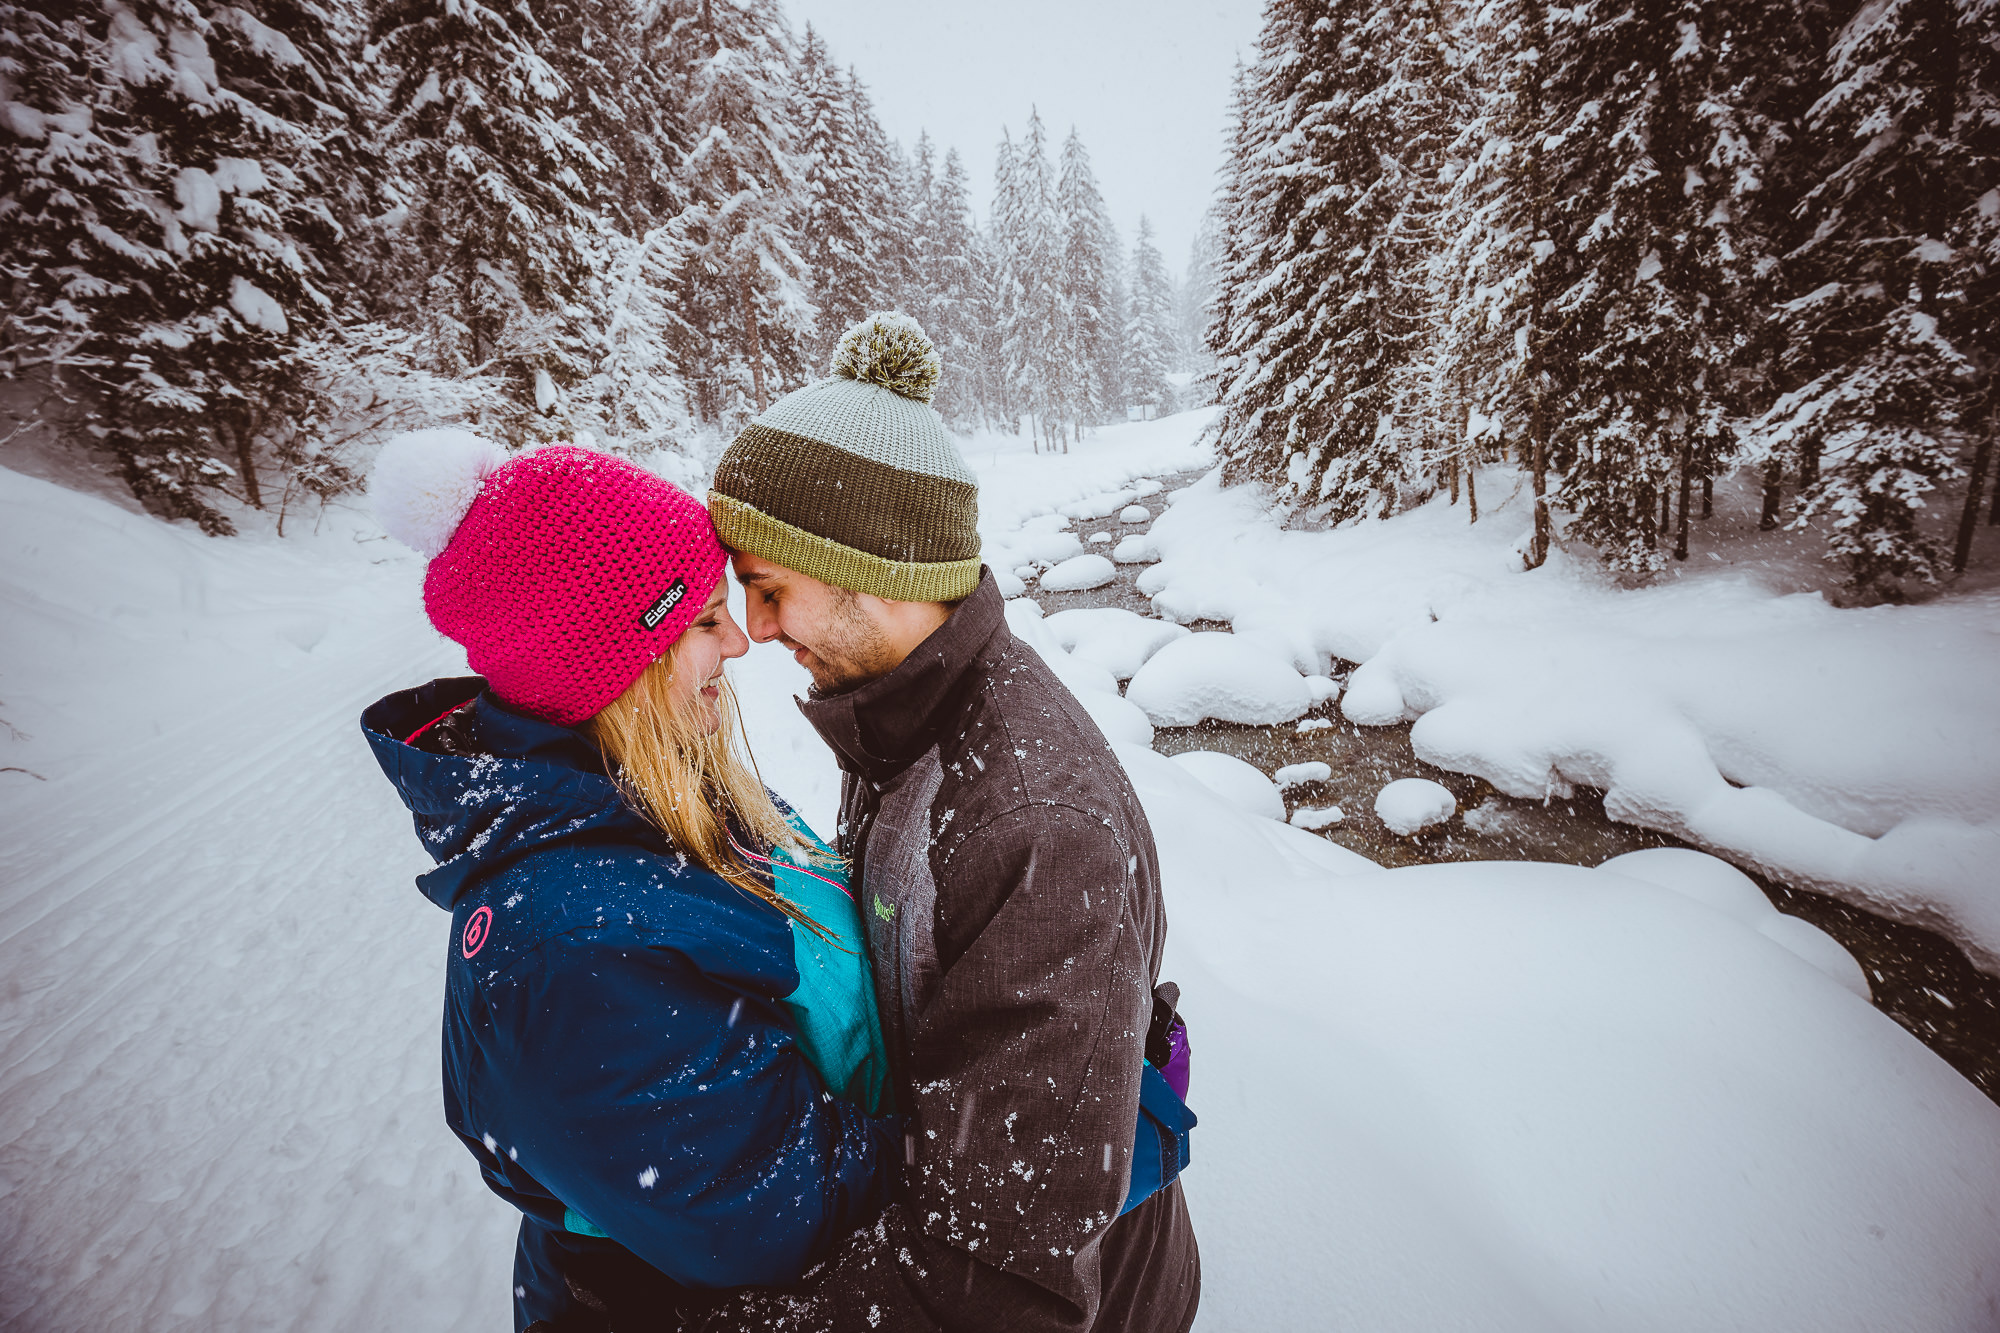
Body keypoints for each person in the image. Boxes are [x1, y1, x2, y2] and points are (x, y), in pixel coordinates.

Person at [680, 313, 1201, 1333]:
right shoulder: (907, 719)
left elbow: (1000, 1278)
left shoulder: (1031, 821)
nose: (754, 632)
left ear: (866, 564)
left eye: (768, 588)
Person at [359, 435, 898, 1331]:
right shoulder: (565, 954)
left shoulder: (669, 785)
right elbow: (796, 1209)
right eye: (701, 621)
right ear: (612, 669)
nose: (739, 641)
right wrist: (1047, 1135)